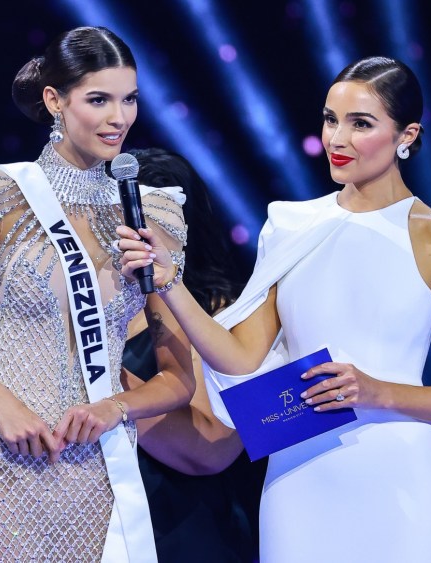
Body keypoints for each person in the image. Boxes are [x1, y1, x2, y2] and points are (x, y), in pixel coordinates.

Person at [118, 56, 431, 562]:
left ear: (407, 135)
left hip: (398, 475)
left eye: (361, 124)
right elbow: (240, 356)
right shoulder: (291, 226)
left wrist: (377, 391)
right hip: (300, 475)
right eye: (331, 119)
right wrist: (169, 280)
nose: (338, 139)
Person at [0, 26, 194, 561]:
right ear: (54, 100)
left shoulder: (154, 215)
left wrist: (114, 407)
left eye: (129, 100)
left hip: (96, 472)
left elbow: (179, 379)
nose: (118, 118)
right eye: (98, 99)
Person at [120, 148, 264, 562]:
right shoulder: (83, 305)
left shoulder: (226, 313)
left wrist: (93, 370)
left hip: (186, 533)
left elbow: (211, 447)